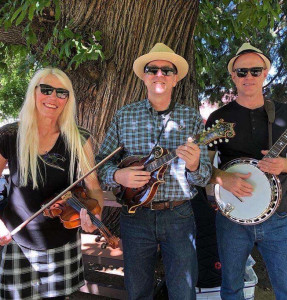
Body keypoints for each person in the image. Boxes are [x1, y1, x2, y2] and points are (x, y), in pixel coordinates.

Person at [96, 43, 212, 299]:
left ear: (176, 78)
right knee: (138, 290)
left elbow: (203, 177)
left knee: (183, 290)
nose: (159, 74)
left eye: (166, 70)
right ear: (144, 76)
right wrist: (117, 175)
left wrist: (194, 165)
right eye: (152, 69)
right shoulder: (124, 116)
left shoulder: (191, 118)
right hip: (135, 216)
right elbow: (101, 162)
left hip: (179, 215)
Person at [206, 43, 287, 300]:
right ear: (233, 76)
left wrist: (283, 164)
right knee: (232, 289)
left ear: (265, 73)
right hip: (232, 218)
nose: (248, 76)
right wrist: (221, 177)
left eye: (255, 71)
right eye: (242, 71)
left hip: (278, 218)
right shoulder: (218, 119)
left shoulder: (285, 113)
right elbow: (202, 168)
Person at [0, 67, 104, 300]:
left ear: (68, 99)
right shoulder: (9, 135)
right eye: (46, 89)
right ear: (33, 92)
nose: (53, 97)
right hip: (18, 241)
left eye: (61, 92)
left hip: (61, 243)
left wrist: (94, 214)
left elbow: (94, 188)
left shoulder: (79, 138)